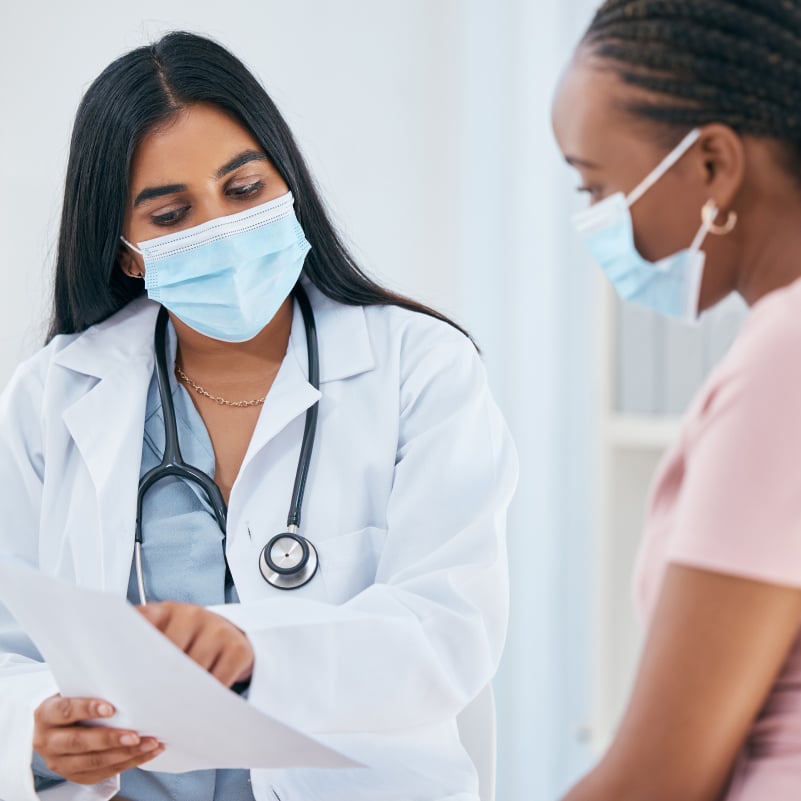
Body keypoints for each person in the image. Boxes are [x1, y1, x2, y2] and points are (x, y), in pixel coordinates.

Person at [0, 31, 517, 801]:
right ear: (127, 251)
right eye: (172, 213)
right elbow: (11, 643)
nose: (221, 229)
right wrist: (39, 730)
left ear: (287, 186)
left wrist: (254, 648)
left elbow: (445, 628)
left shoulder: (421, 367)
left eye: (243, 190)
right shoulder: (55, 394)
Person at [551, 1, 801, 799]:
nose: (593, 223)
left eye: (596, 185)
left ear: (712, 166)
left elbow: (657, 780)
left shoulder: (782, 359)